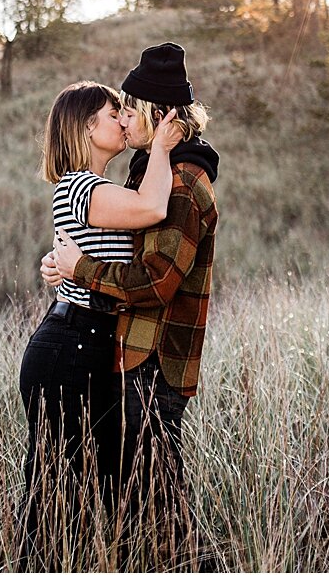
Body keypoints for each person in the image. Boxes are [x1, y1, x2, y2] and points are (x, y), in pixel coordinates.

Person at [48, 42, 219, 567]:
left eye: (128, 107)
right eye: (115, 109)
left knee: (160, 503)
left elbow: (157, 281)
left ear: (155, 115)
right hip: (131, 356)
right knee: (137, 501)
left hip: (155, 362)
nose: (123, 118)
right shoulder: (153, 171)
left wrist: (82, 271)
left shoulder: (183, 184)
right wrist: (66, 265)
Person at [17, 80, 181, 568]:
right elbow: (154, 207)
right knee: (54, 490)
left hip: (83, 343)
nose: (123, 119)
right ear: (89, 127)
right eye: (115, 114)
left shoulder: (89, 188)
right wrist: (162, 147)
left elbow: (80, 255)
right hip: (70, 348)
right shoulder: (85, 186)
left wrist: (57, 265)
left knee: (92, 481)